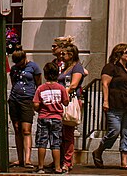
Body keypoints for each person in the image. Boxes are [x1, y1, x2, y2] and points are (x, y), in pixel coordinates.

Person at [94, 43, 127, 169]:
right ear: (119, 53)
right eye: (126, 52)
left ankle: (124, 162)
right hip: (115, 104)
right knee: (114, 131)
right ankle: (99, 150)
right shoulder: (110, 67)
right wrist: (105, 101)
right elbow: (105, 84)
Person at [52, 39, 86, 172]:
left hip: (69, 101)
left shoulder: (77, 67)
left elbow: (73, 85)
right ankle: (59, 160)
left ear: (71, 55)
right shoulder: (65, 67)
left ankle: (67, 161)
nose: (62, 55)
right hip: (61, 101)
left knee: (68, 133)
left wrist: (61, 95)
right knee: (59, 133)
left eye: (64, 54)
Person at [8, 44, 42, 169]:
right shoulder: (14, 69)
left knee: (26, 129)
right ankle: (20, 158)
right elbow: (13, 82)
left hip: (27, 100)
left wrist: (37, 100)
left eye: (20, 62)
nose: (19, 65)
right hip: (14, 100)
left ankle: (28, 159)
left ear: (24, 58)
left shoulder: (33, 67)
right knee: (17, 129)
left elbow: (38, 84)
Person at [33, 63, 66, 173]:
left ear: (45, 75)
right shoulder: (61, 88)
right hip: (56, 118)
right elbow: (66, 102)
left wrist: (39, 109)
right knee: (56, 143)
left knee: (42, 142)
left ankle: (40, 167)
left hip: (43, 117)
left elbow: (36, 104)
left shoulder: (40, 88)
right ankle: (57, 167)